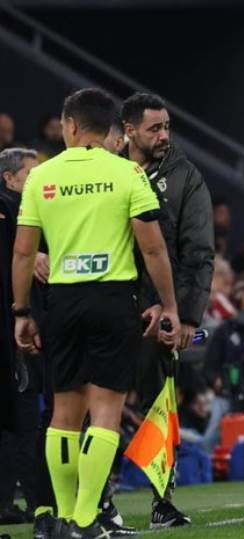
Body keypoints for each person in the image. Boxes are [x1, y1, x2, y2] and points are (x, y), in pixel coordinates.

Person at [11, 88, 179, 537]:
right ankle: (87, 518)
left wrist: (22, 311)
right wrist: (168, 304)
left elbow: (24, 253)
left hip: (62, 302)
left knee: (63, 415)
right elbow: (153, 248)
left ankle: (64, 517)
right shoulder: (127, 173)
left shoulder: (41, 176)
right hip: (112, 300)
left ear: (70, 125)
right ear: (110, 128)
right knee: (105, 412)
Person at [118, 92, 214, 529]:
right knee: (98, 408)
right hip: (112, 308)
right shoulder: (109, 170)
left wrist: (187, 316)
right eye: (154, 128)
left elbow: (199, 251)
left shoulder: (184, 176)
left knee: (160, 406)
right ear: (129, 130)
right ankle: (97, 503)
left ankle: (162, 501)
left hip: (161, 313)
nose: (163, 136)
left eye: (167, 127)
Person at [0, 148, 38, 525]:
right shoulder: (10, 211)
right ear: (9, 179)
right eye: (30, 175)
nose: (38, 181)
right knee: (17, 418)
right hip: (12, 332)